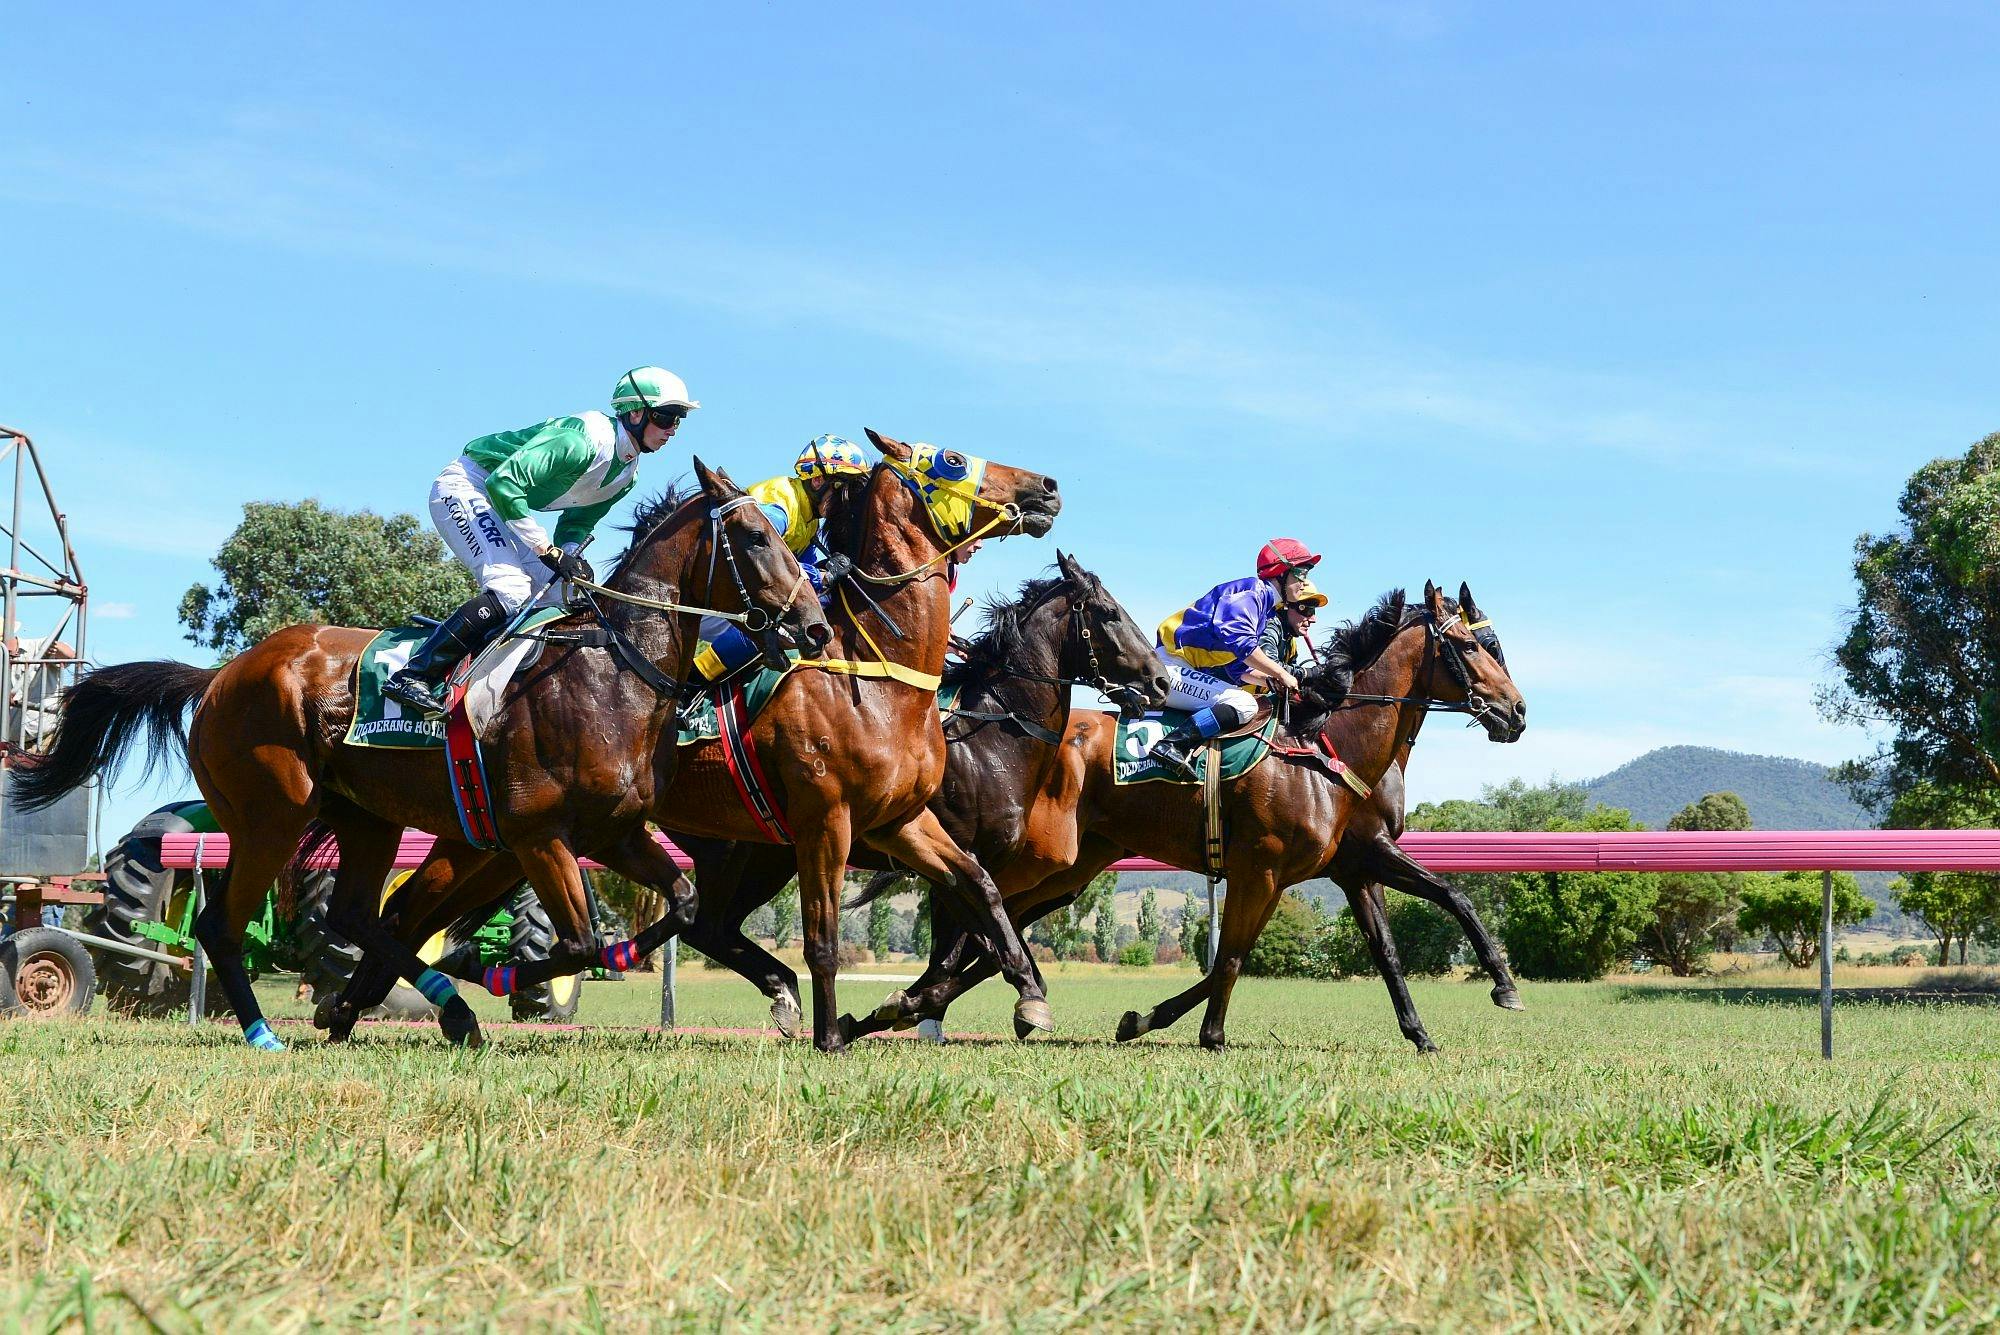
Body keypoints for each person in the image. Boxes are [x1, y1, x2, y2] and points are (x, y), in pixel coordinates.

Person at [381, 366, 697, 715]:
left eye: (678, 421)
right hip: (469, 486)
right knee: (511, 589)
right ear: (635, 413)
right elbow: (503, 482)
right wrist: (546, 550)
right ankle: (413, 676)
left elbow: (577, 522)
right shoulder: (582, 441)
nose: (672, 430)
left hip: (501, 504)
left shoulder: (626, 474)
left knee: (570, 595)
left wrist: (571, 555)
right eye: (666, 417)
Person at [1145, 538, 1328, 780]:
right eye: (1300, 572)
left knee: (1245, 698)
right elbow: (1244, 646)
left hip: (1183, 668)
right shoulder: (1251, 593)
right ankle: (1172, 744)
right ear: (1280, 572)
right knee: (1244, 704)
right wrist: (1281, 673)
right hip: (1167, 667)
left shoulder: (1263, 609)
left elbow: (1238, 669)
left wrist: (1270, 681)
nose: (1304, 580)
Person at [692, 435, 869, 681]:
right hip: (711, 599)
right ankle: (696, 677)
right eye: (843, 491)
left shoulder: (809, 520)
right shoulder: (781, 505)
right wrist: (822, 575)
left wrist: (826, 575)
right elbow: (757, 555)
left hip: (735, 595)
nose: (846, 503)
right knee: (775, 618)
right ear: (818, 480)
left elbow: (805, 576)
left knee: (820, 602)